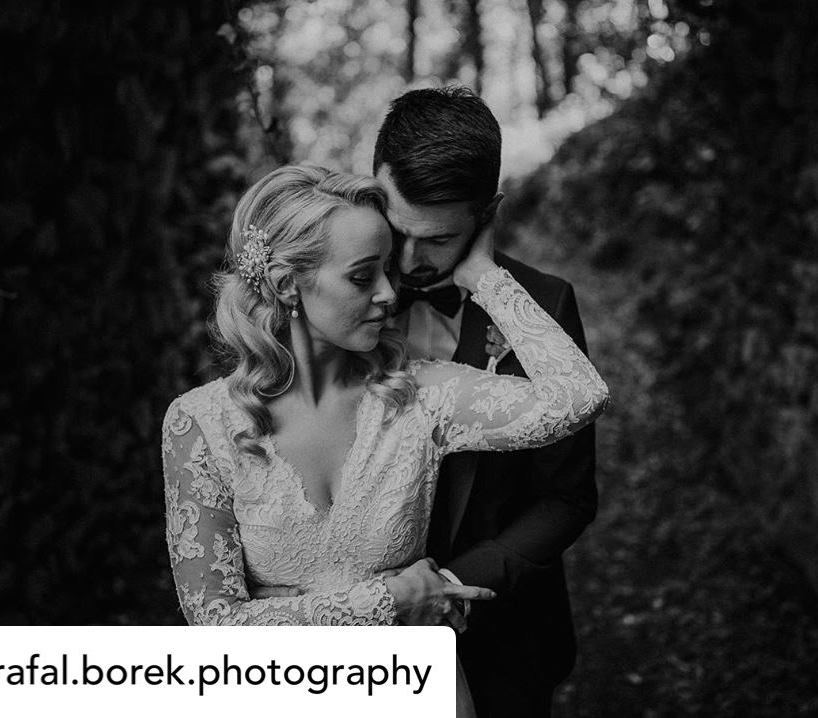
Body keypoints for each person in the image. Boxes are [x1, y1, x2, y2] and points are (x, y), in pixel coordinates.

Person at [162, 165, 608, 715]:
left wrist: (484, 276)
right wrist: (391, 599)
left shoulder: (420, 395)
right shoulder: (199, 423)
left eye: (385, 271)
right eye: (361, 276)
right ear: (285, 284)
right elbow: (215, 625)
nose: (388, 293)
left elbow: (581, 396)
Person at [373, 86, 598, 717]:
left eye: (440, 239)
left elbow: (569, 496)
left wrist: (457, 587)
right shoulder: (335, 295)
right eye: (398, 230)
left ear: (487, 211)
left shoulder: (545, 307)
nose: (410, 262)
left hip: (503, 638)